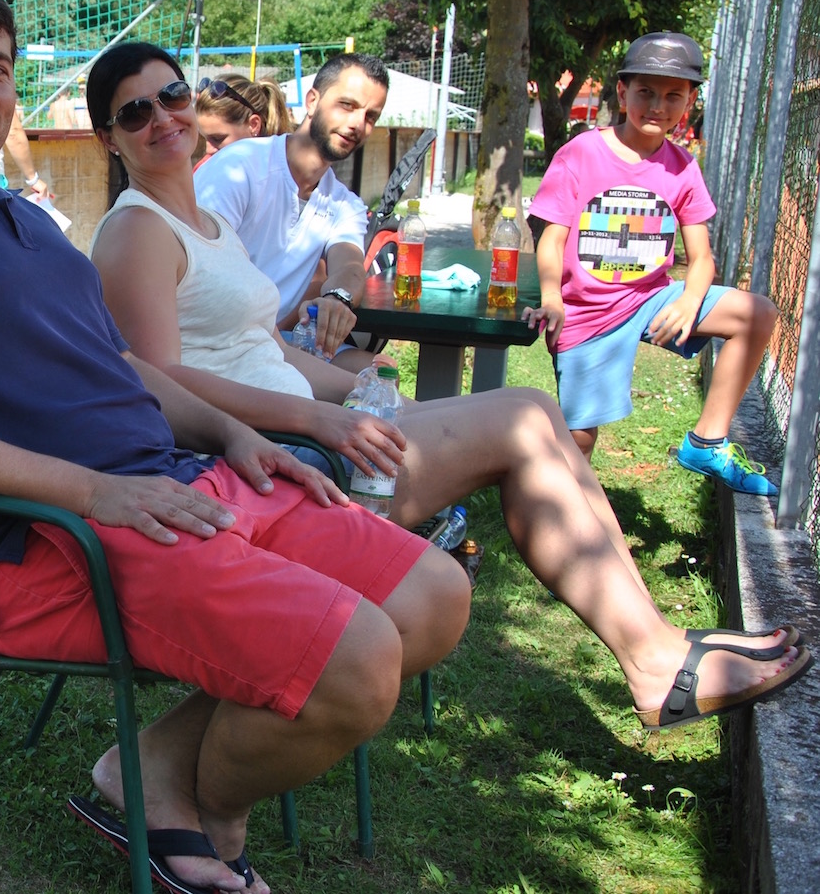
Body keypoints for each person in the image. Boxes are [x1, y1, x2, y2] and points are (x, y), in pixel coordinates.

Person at [0, 0, 471, 894]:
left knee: (433, 596)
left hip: (168, 484)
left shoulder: (23, 219)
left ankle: (149, 768)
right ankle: (200, 810)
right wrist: (95, 491)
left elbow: (124, 367)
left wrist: (232, 431)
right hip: (40, 539)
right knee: (357, 663)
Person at [85, 40, 810, 738]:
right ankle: (653, 658)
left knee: (535, 413)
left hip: (307, 430)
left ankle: (657, 643)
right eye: (135, 112)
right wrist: (317, 418)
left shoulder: (207, 222)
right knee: (524, 420)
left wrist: (373, 393)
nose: (163, 118)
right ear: (108, 139)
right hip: (274, 466)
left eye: (171, 95)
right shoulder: (138, 231)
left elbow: (264, 346)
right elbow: (163, 385)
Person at [524, 32, 782, 494]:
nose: (658, 106)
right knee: (578, 441)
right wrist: (552, 298)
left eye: (673, 96)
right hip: (589, 311)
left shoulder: (682, 167)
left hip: (651, 299)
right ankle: (562, 505)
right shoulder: (581, 153)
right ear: (622, 93)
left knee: (756, 313)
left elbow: (701, 258)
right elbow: (552, 238)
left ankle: (706, 442)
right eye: (645, 92)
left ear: (690, 102)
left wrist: (690, 302)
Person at [194, 54, 386, 359]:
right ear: (312, 101)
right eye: (347, 105)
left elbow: (349, 266)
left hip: (275, 344)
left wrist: (337, 298)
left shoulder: (346, 204)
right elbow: (202, 268)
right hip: (212, 342)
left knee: (377, 369)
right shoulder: (239, 166)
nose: (357, 124)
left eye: (371, 116)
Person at [193, 73, 293, 160]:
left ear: (254, 125)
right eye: (204, 138)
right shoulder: (206, 167)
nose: (208, 150)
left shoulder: (285, 170)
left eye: (218, 138)